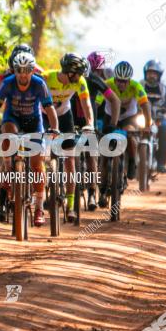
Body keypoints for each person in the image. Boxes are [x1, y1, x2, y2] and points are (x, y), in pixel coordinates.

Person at [0, 54, 59, 227]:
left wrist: (54, 128)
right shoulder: (7, 82)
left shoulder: (39, 84)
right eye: (19, 71)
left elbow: (49, 109)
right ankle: (9, 166)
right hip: (13, 118)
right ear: (14, 70)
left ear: (33, 71)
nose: (23, 75)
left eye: (27, 71)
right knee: (7, 133)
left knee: (36, 164)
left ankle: (39, 208)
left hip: (34, 121)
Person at [43, 53, 95, 221]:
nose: (81, 77)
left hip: (65, 116)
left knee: (70, 159)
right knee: (40, 153)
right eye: (79, 73)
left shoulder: (80, 82)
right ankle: (36, 192)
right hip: (43, 115)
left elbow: (86, 104)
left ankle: (71, 204)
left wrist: (90, 124)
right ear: (70, 72)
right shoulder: (46, 78)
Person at [70, 51, 121, 210]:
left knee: (92, 154)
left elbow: (114, 100)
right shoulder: (64, 81)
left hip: (89, 123)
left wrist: (112, 124)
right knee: (67, 154)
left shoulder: (93, 79)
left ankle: (92, 193)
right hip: (70, 123)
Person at [96, 61, 151, 202]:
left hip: (129, 118)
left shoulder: (136, 86)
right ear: (114, 79)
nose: (121, 84)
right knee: (104, 151)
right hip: (110, 117)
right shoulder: (107, 84)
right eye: (119, 81)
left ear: (129, 80)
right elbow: (96, 103)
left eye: (124, 81)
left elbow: (145, 105)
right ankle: (102, 188)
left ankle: (132, 161)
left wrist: (147, 125)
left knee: (131, 136)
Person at [142, 59, 166, 173]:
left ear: (159, 75)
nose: (152, 76)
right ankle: (130, 162)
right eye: (149, 73)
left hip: (159, 117)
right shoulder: (139, 85)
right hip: (142, 118)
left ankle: (161, 163)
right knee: (130, 131)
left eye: (154, 73)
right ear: (145, 73)